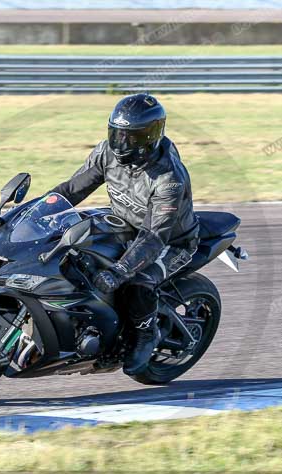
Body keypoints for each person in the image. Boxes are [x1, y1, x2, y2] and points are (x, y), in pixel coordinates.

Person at [51, 93, 199, 376]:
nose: (121, 143)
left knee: (137, 283)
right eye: (117, 134)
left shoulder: (168, 179)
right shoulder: (106, 152)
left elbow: (154, 237)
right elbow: (72, 190)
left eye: (130, 137)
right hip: (124, 223)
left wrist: (119, 272)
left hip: (171, 241)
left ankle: (145, 334)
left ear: (150, 137)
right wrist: (36, 210)